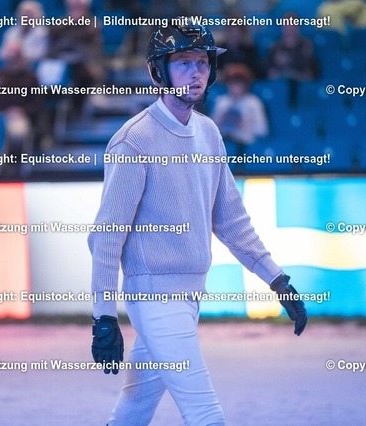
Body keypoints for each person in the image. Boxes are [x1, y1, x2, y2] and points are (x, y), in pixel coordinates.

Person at [88, 20, 307, 425]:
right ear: (158, 71)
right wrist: (103, 315)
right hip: (154, 299)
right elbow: (106, 237)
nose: (196, 73)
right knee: (205, 413)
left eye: (202, 63)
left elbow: (232, 220)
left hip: (189, 296)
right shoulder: (133, 140)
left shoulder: (209, 133)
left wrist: (277, 279)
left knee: (134, 409)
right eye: (184, 63)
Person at [212, 63, 268, 160]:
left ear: (246, 85)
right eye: (232, 83)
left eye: (239, 84)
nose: (235, 87)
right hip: (224, 143)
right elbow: (212, 128)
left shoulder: (254, 103)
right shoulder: (222, 102)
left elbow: (262, 130)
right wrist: (222, 120)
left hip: (246, 145)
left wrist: (245, 125)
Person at [265, 12, 318, 81]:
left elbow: (307, 66)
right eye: (286, 26)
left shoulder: (306, 45)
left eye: (292, 26)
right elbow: (267, 68)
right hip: (279, 81)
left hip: (300, 80)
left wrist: (287, 60)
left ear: (297, 28)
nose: (289, 29)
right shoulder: (275, 46)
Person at [0, 0, 48, 66]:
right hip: (11, 67)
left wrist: (19, 54)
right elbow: (1, 54)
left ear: (37, 14)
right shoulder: (11, 32)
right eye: (23, 12)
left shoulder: (43, 33)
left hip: (32, 68)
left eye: (29, 12)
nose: (26, 15)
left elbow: (42, 55)